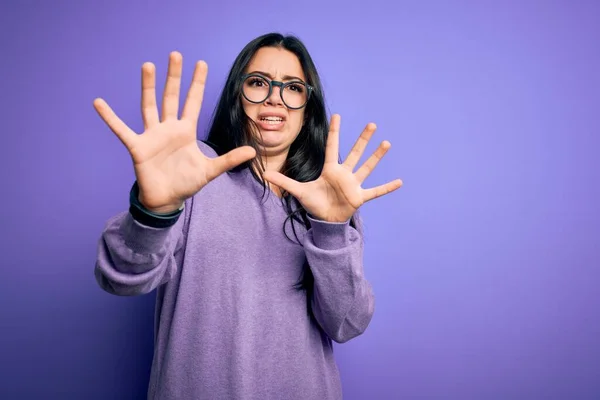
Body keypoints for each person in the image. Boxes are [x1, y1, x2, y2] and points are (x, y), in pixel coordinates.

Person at [93, 32, 402, 400]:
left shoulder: (328, 199)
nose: (274, 97)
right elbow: (122, 278)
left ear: (307, 107)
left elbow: (347, 323)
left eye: (292, 87)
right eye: (258, 83)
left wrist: (332, 230)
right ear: (237, 98)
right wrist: (154, 212)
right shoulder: (192, 176)